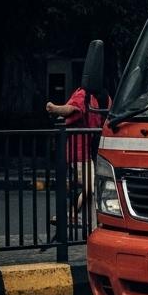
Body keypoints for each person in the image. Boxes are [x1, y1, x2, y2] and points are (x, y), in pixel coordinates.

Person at [45, 86, 108, 227]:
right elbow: (71, 108)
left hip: (88, 153)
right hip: (79, 153)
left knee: (93, 191)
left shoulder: (100, 97)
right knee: (91, 187)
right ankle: (71, 214)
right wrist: (54, 108)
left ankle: (93, 225)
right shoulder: (85, 94)